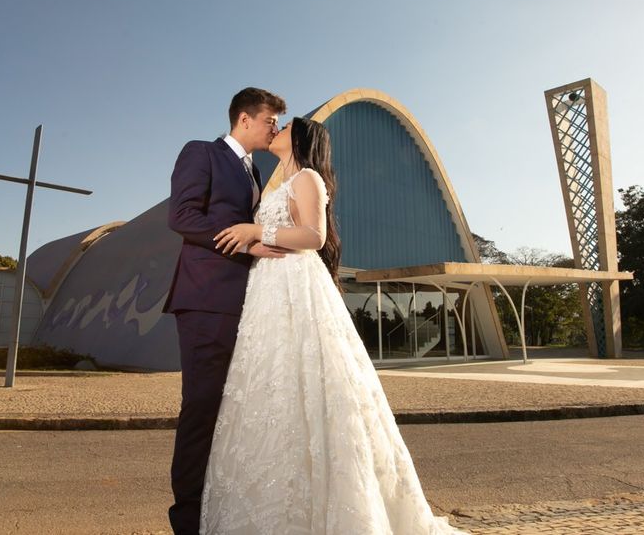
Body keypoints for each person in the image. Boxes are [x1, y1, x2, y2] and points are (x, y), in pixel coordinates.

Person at [201, 117, 467, 534]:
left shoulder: (308, 177)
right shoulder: (277, 181)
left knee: (311, 381)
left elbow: (314, 237)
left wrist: (257, 228)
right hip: (268, 289)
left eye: (286, 125)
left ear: (302, 139)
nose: (277, 130)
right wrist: (255, 242)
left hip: (297, 286)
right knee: (270, 383)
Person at [163, 87, 289, 535]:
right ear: (244, 119)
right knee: (201, 406)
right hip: (206, 299)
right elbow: (182, 216)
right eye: (271, 120)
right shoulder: (202, 153)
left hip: (247, 305)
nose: (275, 128)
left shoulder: (256, 172)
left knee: (233, 410)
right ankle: (188, 520)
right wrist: (248, 240)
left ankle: (223, 511)